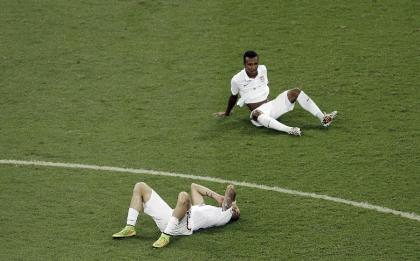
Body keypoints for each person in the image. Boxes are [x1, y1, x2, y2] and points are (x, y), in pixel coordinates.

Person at [215, 50, 337, 136]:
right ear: (244, 64)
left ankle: (323, 118)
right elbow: (233, 97)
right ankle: (290, 130)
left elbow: (264, 87)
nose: (253, 67)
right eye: (250, 64)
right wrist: (227, 113)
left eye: (255, 64)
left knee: (295, 92)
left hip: (272, 105)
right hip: (259, 113)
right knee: (256, 114)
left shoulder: (263, 69)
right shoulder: (236, 79)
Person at [112, 182, 240, 248]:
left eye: (235, 210)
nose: (236, 210)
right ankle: (130, 227)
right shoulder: (203, 207)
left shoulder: (224, 216)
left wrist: (231, 204)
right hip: (172, 218)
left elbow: (230, 190)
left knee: (183, 196)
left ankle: (166, 236)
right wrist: (215, 196)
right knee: (140, 186)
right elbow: (194, 187)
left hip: (185, 226)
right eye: (236, 209)